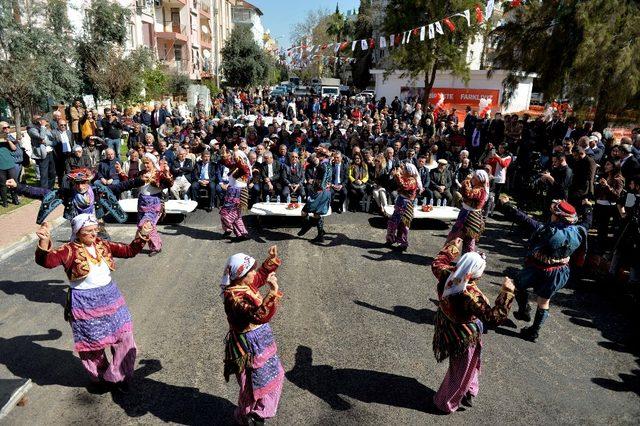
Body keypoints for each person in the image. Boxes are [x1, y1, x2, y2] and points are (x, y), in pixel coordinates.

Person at [34, 214, 152, 392]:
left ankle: (117, 375)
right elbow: (47, 262)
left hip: (111, 297)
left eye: (95, 229)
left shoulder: (102, 244)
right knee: (92, 346)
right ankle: (99, 379)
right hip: (84, 303)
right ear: (78, 232)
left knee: (125, 337)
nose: (94, 233)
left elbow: (129, 251)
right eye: (89, 231)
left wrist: (141, 235)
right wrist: (44, 242)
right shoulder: (69, 250)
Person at [431, 238, 515, 413]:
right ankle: (445, 402)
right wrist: (506, 292)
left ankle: (469, 390)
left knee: (471, 363)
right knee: (461, 369)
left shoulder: (448, 273)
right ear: (476, 273)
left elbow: (438, 262)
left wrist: (453, 246)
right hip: (464, 335)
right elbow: (493, 318)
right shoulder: (470, 294)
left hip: (447, 325)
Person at [498, 195, 592, 342]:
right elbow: (587, 221)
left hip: (538, 267)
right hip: (559, 271)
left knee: (516, 283)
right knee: (543, 301)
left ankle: (524, 311)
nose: (551, 215)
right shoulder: (579, 230)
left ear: (558, 217)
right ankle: (533, 332)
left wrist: (507, 205)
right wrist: (588, 208)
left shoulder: (548, 230)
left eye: (554, 213)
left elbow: (524, 219)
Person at [221, 245, 284, 425]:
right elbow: (258, 315)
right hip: (249, 344)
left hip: (260, 340)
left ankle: (254, 413)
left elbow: (260, 276)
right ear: (241, 275)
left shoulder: (244, 284)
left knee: (272, 376)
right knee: (253, 382)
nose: (254, 273)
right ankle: (255, 416)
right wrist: (272, 292)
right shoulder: (234, 298)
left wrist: (270, 259)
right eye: (251, 270)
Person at [7, 167, 141, 239]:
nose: (80, 186)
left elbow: (121, 186)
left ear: (88, 182)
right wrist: (17, 187)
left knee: (103, 259)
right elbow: (42, 193)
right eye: (77, 183)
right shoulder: (68, 195)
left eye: (83, 183)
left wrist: (139, 181)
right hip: (78, 233)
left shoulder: (98, 191)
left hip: (97, 230)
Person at [137, 154, 174, 256]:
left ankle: (156, 247)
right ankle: (154, 245)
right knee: (142, 226)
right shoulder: (142, 173)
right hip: (142, 202)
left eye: (147, 163)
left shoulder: (158, 173)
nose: (146, 165)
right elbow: (131, 182)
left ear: (153, 163)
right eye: (144, 163)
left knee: (147, 225)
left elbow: (169, 183)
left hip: (153, 202)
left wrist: (166, 173)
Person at [446, 170, 490, 254]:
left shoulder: (480, 190)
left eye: (474, 177)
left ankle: (465, 261)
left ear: (479, 179)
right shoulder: (477, 188)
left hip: (470, 217)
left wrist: (466, 181)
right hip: (466, 213)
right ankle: (448, 256)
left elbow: (468, 194)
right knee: (457, 237)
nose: (472, 179)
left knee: (465, 240)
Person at [298, 146, 333, 243]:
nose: (316, 156)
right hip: (326, 192)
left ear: (321, 156)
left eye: (317, 155)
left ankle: (307, 226)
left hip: (319, 193)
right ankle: (320, 235)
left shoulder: (322, 166)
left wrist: (312, 182)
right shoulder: (329, 165)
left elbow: (321, 184)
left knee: (304, 212)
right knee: (317, 214)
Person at [385, 162, 420, 252]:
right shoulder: (405, 177)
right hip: (400, 201)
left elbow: (404, 186)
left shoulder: (412, 180)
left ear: (409, 171)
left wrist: (397, 176)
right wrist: (397, 176)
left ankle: (403, 243)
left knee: (404, 224)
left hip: (406, 204)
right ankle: (391, 239)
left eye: (404, 169)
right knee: (393, 221)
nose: (403, 170)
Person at [219, 146, 251, 241]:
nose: (235, 158)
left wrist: (236, 151)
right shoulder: (235, 166)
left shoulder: (245, 168)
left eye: (237, 157)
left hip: (237, 192)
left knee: (226, 213)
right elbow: (226, 161)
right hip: (232, 191)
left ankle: (229, 229)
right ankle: (241, 234)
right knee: (235, 215)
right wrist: (224, 151)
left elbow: (239, 162)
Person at [593, 160, 624, 250]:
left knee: (603, 229)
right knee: (601, 229)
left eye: (608, 164)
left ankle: (602, 249)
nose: (605, 166)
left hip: (608, 207)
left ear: (614, 166)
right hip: (601, 205)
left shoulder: (618, 179)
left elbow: (617, 195)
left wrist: (606, 186)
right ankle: (600, 246)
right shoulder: (608, 176)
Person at [0, 122, 18, 207]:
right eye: (4, 128)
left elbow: (14, 148)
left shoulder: (9, 136)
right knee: (3, 184)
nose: (6, 128)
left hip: (10, 164)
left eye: (8, 127)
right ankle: (5, 202)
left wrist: (8, 140)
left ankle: (15, 199)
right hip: (1, 165)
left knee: (14, 183)